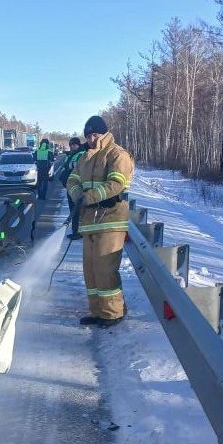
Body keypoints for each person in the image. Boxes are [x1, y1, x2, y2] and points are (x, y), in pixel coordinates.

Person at [66, 115, 134, 327]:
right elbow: (72, 179)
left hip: (111, 219)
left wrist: (91, 196)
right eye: (88, 135)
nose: (92, 138)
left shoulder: (117, 154)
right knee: (91, 270)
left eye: (95, 134)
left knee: (105, 269)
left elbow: (117, 183)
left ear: (104, 133)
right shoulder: (84, 158)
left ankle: (113, 313)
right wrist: (77, 194)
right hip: (90, 221)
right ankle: (97, 311)